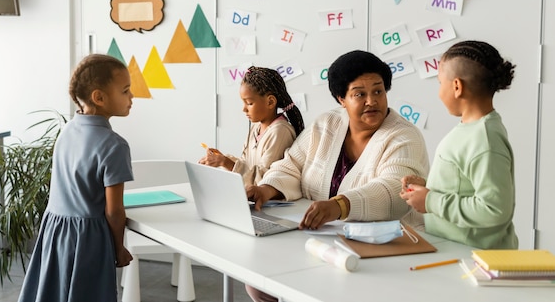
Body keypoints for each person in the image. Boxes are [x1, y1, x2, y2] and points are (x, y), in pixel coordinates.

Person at [245, 50, 429, 302]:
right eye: (359, 94)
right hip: (324, 244)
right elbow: (291, 165)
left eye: (378, 91)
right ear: (341, 98)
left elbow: (394, 192)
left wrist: (339, 205)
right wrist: (266, 188)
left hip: (386, 254)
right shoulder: (327, 124)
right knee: (259, 285)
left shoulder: (405, 137)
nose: (371, 101)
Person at [18, 54, 134, 302]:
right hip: (88, 238)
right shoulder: (115, 146)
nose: (132, 97)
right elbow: (114, 211)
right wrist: (119, 247)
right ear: (99, 97)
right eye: (125, 91)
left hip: (55, 230)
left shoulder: (67, 130)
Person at [400, 40, 518, 249]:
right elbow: (466, 184)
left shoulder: (485, 140)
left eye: (439, 83)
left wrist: (430, 201)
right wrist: (431, 187)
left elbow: (494, 210)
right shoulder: (471, 130)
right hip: (457, 250)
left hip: (479, 260)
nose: (438, 92)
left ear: (456, 86)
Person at [199, 66, 305, 186]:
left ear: (270, 102)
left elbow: (265, 177)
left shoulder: (281, 132)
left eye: (249, 103)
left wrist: (225, 162)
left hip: (269, 202)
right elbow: (246, 164)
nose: (244, 109)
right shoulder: (256, 128)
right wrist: (223, 159)